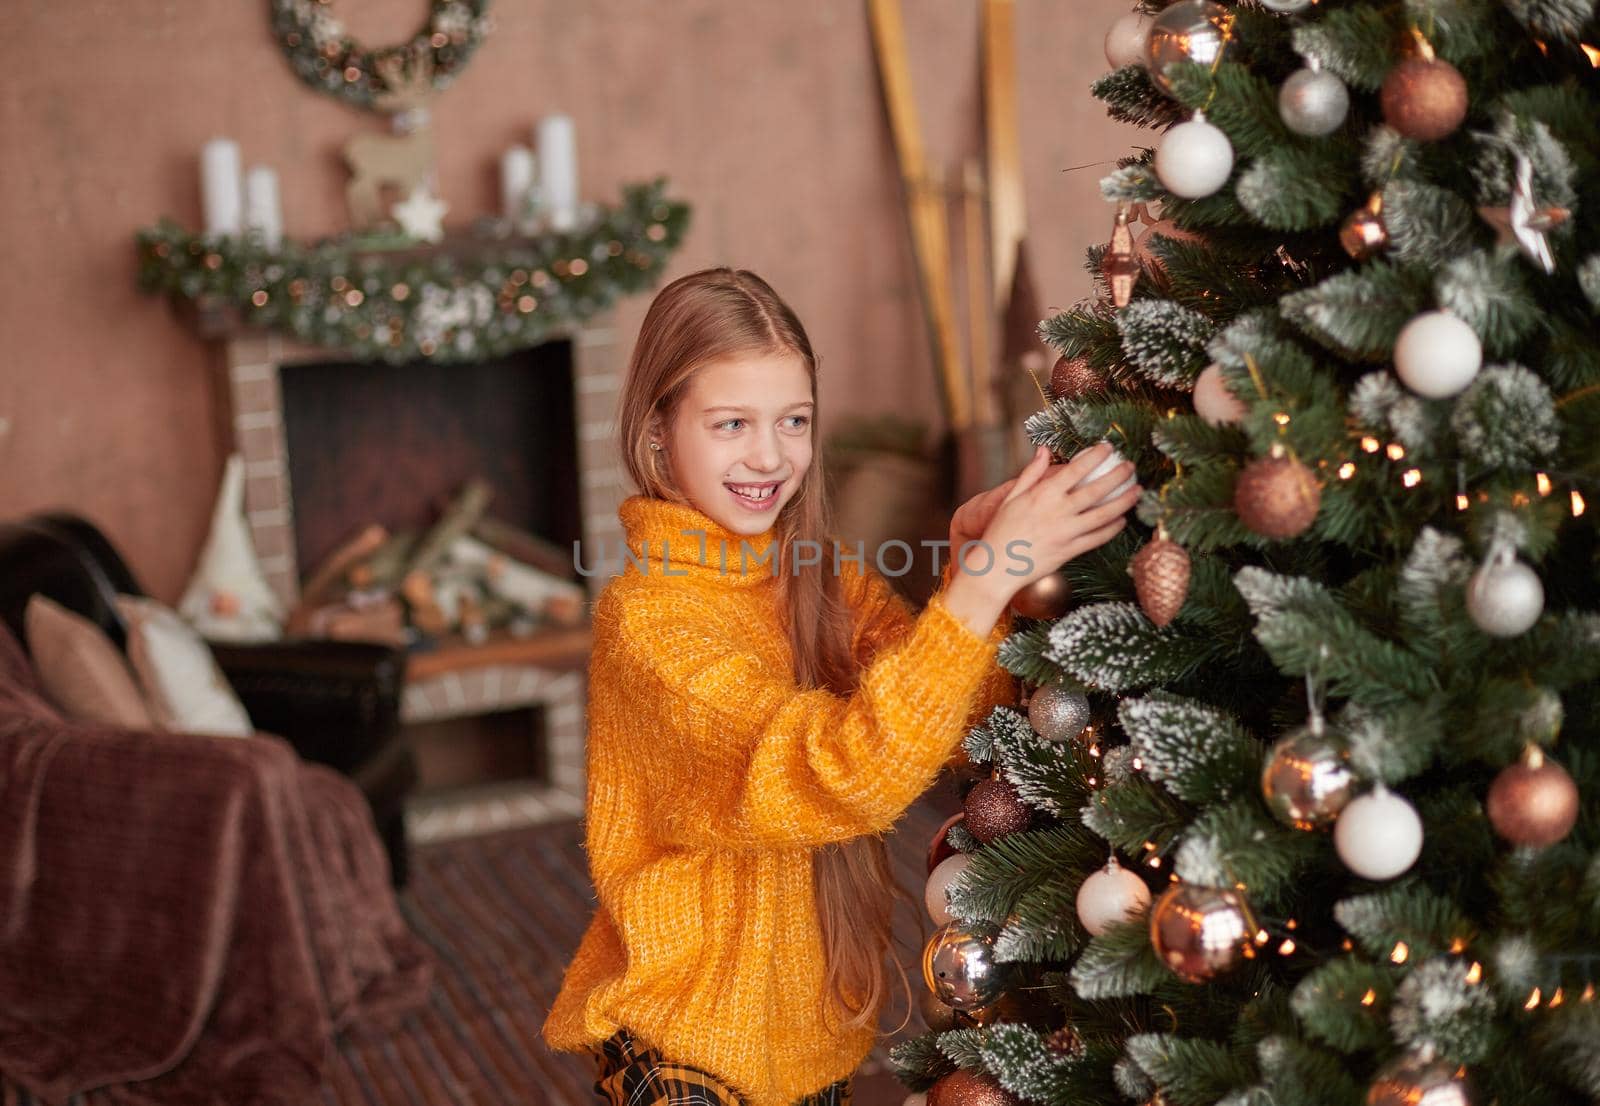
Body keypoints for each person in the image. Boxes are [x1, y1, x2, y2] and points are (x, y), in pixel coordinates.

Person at [540, 267, 1139, 1106]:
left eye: (794, 421)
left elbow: (962, 715)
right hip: (685, 1050)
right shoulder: (648, 626)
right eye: (731, 424)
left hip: (812, 1041)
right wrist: (981, 585)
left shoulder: (816, 576)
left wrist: (978, 573)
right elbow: (843, 773)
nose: (770, 455)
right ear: (655, 434)